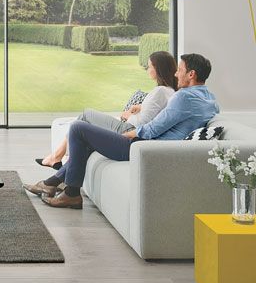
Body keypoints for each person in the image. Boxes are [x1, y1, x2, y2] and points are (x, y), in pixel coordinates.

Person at [37, 53, 220, 209]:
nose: (176, 73)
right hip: (155, 147)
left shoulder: (184, 97)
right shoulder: (210, 100)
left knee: (79, 128)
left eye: (180, 70)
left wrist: (127, 134)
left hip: (144, 148)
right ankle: (53, 183)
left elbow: (154, 128)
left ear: (191, 74)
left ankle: (71, 193)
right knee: (88, 138)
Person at [34, 50, 178, 171]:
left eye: (150, 66)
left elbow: (143, 123)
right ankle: (59, 158)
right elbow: (156, 113)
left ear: (158, 69)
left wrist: (127, 115)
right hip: (133, 129)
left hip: (130, 129)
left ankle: (59, 158)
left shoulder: (160, 91)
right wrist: (140, 107)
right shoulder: (169, 91)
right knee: (84, 123)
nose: (148, 69)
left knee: (85, 115)